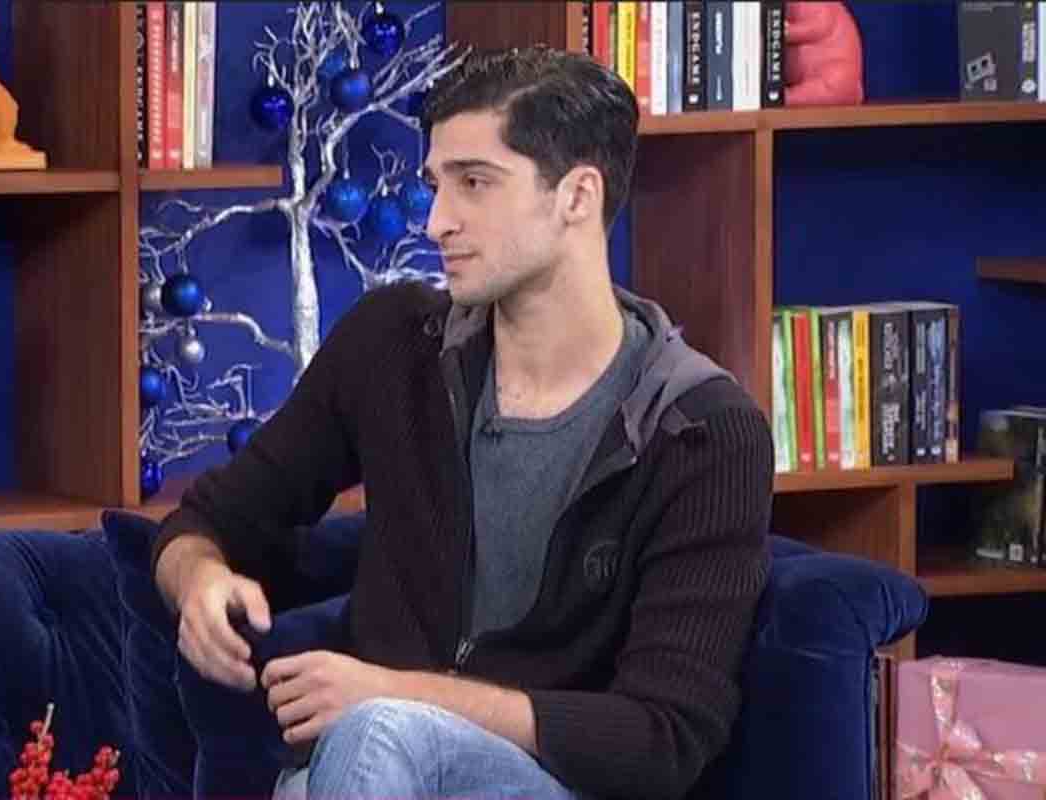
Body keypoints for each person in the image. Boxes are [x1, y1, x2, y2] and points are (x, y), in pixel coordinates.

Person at [152, 45, 774, 800]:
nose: (437, 221)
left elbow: (661, 739)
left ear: (577, 196)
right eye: (435, 185)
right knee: (355, 753)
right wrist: (199, 579)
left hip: (549, 785)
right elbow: (208, 519)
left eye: (474, 183)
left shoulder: (701, 429)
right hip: (360, 776)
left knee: (379, 732)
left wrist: (393, 695)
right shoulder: (392, 342)